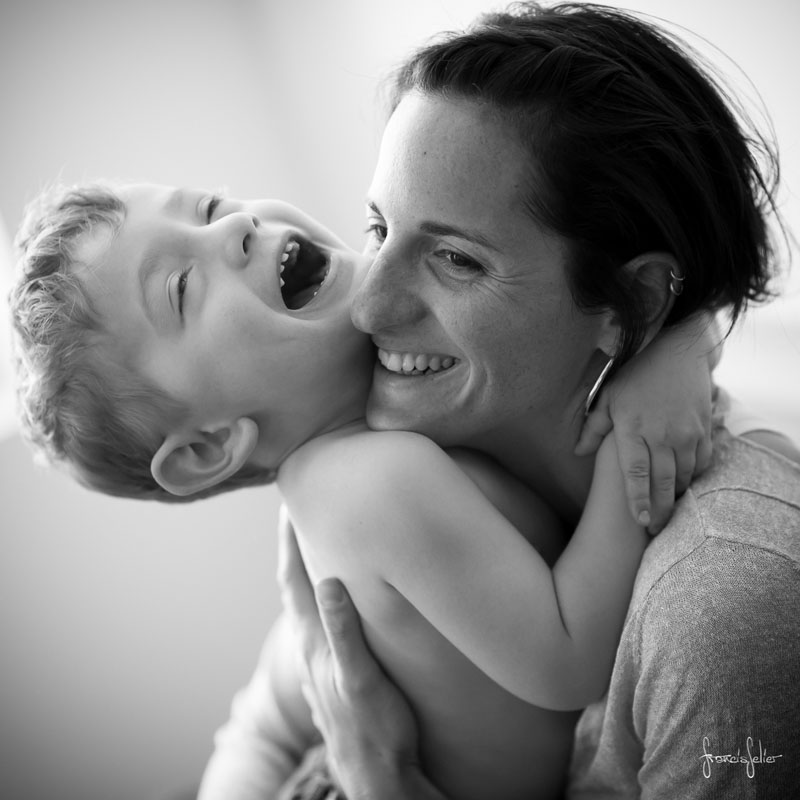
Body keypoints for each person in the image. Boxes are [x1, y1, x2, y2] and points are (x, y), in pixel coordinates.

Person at [11, 175, 723, 800]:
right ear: (209, 445)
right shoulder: (365, 487)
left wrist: (678, 344)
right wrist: (637, 423)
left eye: (206, 206)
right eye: (180, 287)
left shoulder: (371, 444)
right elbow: (569, 657)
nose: (233, 226)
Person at [263, 3, 800, 799]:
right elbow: (268, 723)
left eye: (455, 259)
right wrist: (686, 333)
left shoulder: (722, 609)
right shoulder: (431, 446)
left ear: (634, 304)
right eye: (379, 227)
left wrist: (377, 783)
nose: (367, 308)